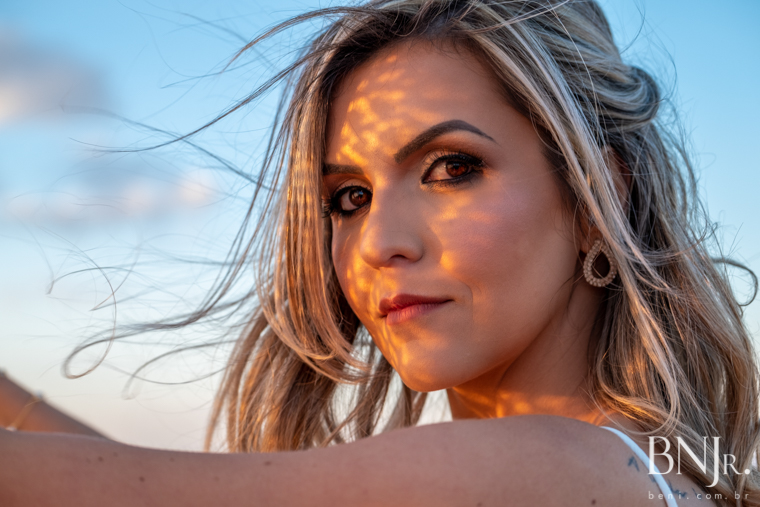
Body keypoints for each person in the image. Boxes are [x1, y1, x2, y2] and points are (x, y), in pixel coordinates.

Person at [1, 0, 758, 505]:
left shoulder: (545, 470)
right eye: (349, 198)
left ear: (599, 199)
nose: (378, 243)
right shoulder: (631, 472)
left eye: (452, 168)